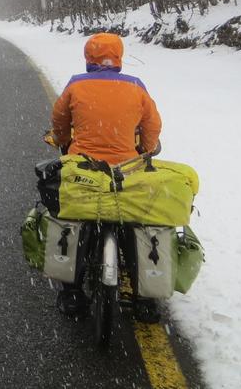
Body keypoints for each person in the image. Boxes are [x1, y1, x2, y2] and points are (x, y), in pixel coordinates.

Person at [48, 32, 163, 322]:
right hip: (126, 167)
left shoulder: (76, 84)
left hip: (83, 166)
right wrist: (146, 150)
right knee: (135, 221)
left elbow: (59, 121)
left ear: (89, 58)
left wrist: (62, 141)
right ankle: (145, 296)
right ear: (119, 57)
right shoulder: (136, 87)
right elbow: (152, 125)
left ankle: (72, 291)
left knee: (75, 218)